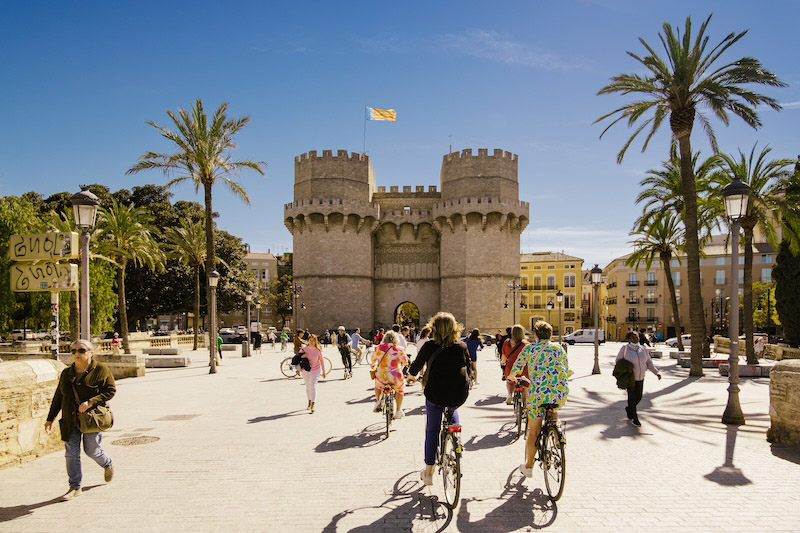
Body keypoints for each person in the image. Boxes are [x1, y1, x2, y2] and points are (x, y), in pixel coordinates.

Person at [44, 340, 115, 501]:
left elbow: (110, 391)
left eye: (81, 350)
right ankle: (75, 486)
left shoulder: (101, 370)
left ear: (90, 352)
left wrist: (90, 402)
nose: (77, 353)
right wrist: (50, 419)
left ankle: (107, 463)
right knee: (71, 453)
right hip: (70, 418)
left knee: (91, 450)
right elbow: (59, 396)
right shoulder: (67, 373)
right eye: (73, 351)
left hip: (91, 418)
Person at [407, 312, 471, 486]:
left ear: (434, 328)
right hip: (458, 394)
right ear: (454, 328)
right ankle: (455, 432)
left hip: (435, 393)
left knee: (432, 430)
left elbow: (417, 365)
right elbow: (468, 366)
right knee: (452, 407)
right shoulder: (462, 346)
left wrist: (411, 376)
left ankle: (428, 472)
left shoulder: (429, 346)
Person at [508, 320, 572, 478]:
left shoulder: (530, 348)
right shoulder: (558, 348)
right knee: (553, 409)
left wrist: (511, 378)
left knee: (533, 432)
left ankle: (529, 467)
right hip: (559, 392)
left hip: (538, 394)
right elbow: (566, 367)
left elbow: (515, 368)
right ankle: (557, 432)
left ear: (535, 334)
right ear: (550, 335)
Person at [615, 331, 662, 427]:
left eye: (636, 337)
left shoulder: (643, 349)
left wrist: (656, 372)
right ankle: (634, 417)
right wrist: (626, 368)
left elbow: (649, 362)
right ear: (629, 339)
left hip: (641, 377)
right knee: (632, 398)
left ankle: (629, 409)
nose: (635, 339)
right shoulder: (625, 349)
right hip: (630, 378)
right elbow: (618, 361)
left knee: (639, 397)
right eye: (633, 337)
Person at [370, 331, 409, 418]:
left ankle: (378, 401)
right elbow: (405, 362)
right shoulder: (400, 349)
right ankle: (398, 411)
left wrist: (374, 365)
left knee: (377, 385)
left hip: (382, 376)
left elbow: (372, 362)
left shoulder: (378, 348)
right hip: (395, 377)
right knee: (400, 390)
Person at [500, 325, 529, 405]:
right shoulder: (526, 344)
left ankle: (509, 395)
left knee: (509, 381)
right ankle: (525, 403)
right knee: (525, 384)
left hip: (510, 367)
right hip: (523, 368)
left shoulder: (507, 342)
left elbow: (504, 356)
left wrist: (502, 363)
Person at [299, 335, 326, 413]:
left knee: (313, 386)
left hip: (315, 370)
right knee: (308, 386)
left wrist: (323, 372)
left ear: (315, 341)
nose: (311, 342)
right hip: (305, 370)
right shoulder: (304, 349)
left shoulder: (318, 350)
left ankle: (313, 404)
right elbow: (297, 358)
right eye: (310, 340)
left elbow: (322, 361)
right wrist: (302, 356)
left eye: (313, 340)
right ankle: (309, 401)